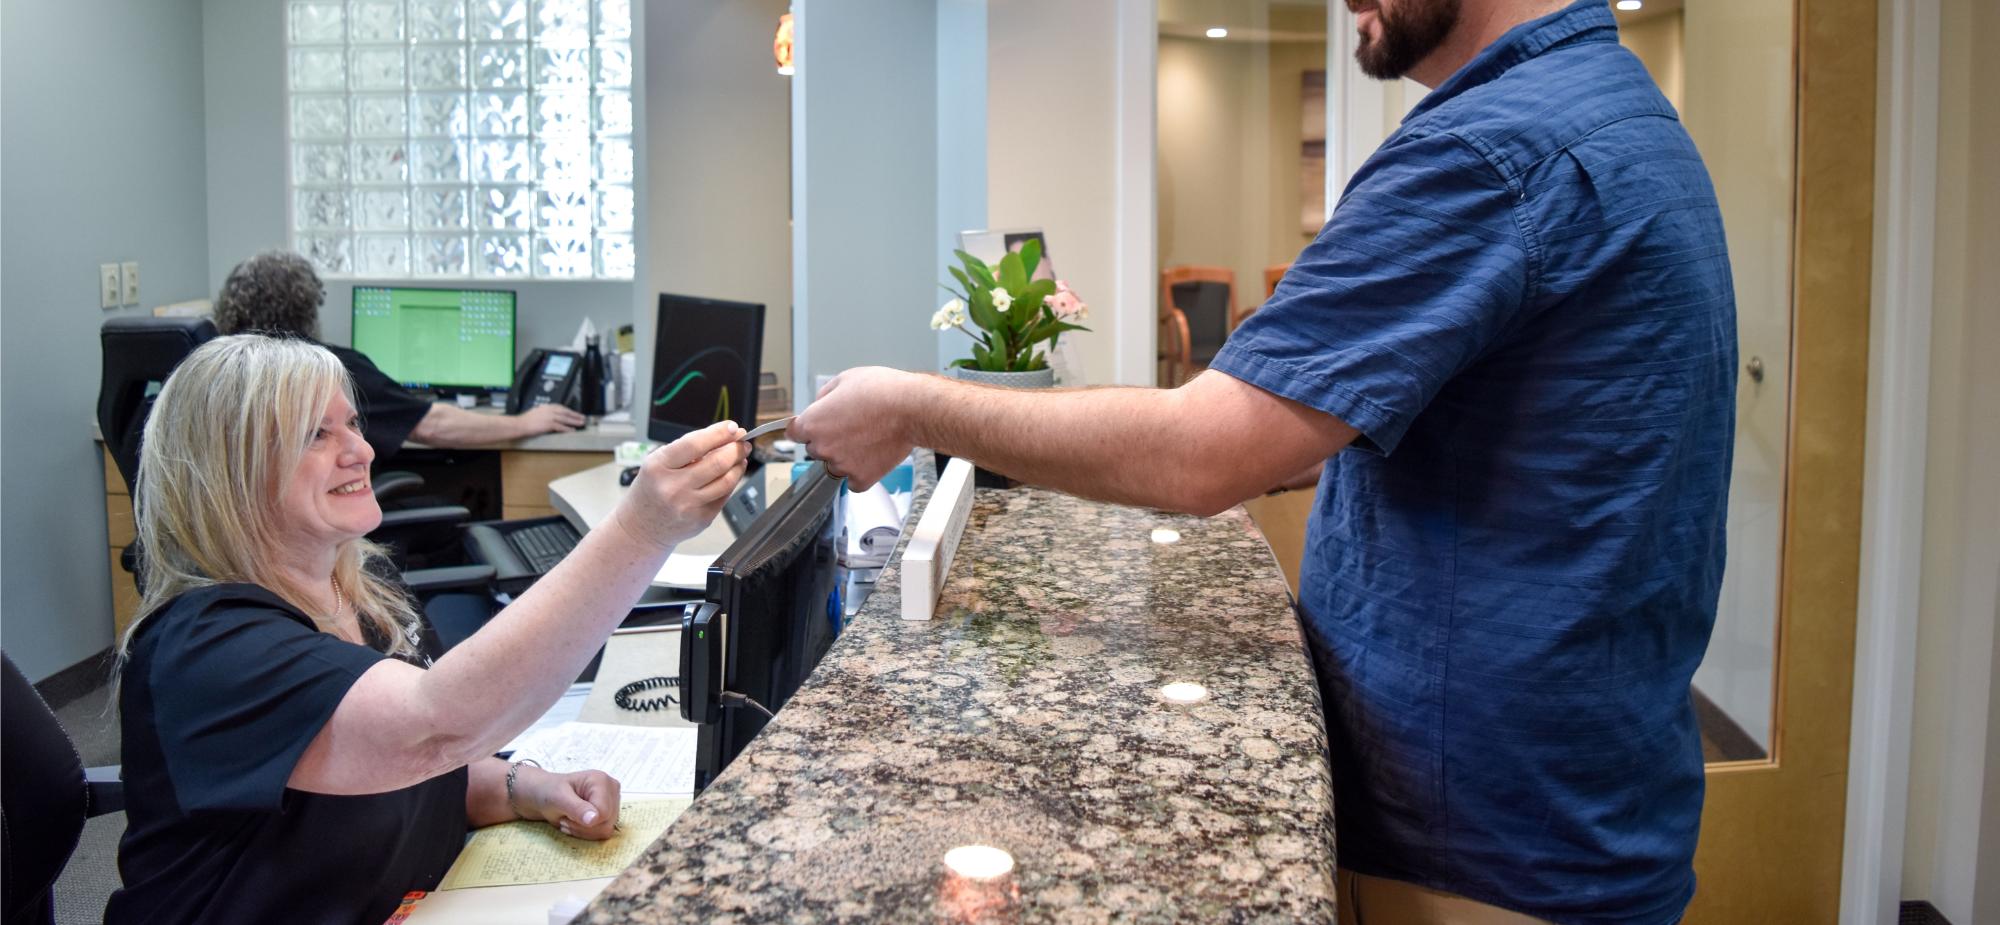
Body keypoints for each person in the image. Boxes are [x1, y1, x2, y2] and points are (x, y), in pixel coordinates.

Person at [793, 1, 1734, 922]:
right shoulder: (1621, 112)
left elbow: (1201, 456)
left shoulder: (1491, 154)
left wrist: (913, 404)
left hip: (1480, 850)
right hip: (1589, 807)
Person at [104, 335, 749, 924]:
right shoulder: (211, 648)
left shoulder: (359, 596)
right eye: (315, 435)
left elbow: (412, 770)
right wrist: (639, 531)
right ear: (230, 473)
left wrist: (525, 787)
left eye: (352, 424)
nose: (362, 450)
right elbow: (431, 732)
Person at [213, 250, 585, 463]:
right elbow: (433, 426)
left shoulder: (216, 371)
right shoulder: (323, 371)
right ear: (308, 306)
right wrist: (526, 422)